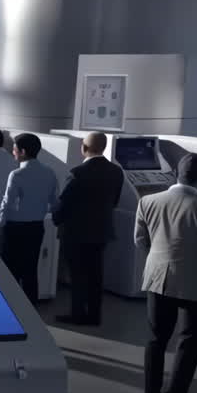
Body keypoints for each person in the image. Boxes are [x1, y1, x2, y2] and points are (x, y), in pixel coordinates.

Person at [136, 153, 197, 393]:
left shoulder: (148, 201)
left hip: (158, 279)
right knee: (189, 343)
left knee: (156, 339)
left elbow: (141, 240)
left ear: (176, 173)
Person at [52, 131, 124, 326]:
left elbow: (65, 203)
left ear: (84, 148)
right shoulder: (116, 171)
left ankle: (77, 314)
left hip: (76, 232)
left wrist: (56, 220)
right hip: (102, 231)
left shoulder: (77, 172)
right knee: (95, 274)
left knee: (77, 275)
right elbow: (115, 201)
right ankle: (94, 315)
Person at [0, 133, 59, 304]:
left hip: (14, 229)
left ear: (22, 151)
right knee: (30, 270)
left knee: (10, 272)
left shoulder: (17, 174)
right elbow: (54, 201)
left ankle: (11, 308)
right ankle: (31, 309)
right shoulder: (49, 172)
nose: (13, 152)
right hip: (36, 228)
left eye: (14, 149)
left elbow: (7, 203)